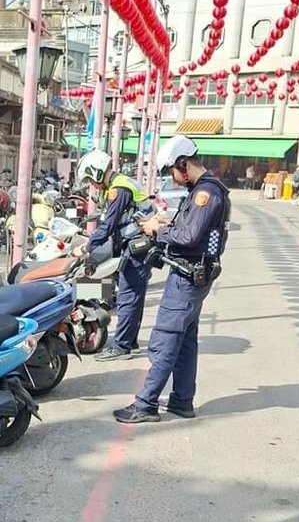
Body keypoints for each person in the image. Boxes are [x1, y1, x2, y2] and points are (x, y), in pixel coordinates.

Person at [113, 135, 231, 423]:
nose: (173, 178)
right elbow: (195, 230)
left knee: (165, 338)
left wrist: (157, 230)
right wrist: (166, 223)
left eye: (171, 171)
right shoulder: (205, 190)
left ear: (183, 163)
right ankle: (181, 400)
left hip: (187, 277)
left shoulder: (206, 193)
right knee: (186, 340)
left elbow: (189, 237)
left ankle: (145, 404)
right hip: (194, 274)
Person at [76, 149, 153, 362]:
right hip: (136, 245)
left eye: (91, 179)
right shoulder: (119, 184)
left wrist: (86, 246)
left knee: (128, 297)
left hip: (137, 247)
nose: (92, 184)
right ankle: (130, 342)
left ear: (98, 171)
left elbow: (108, 225)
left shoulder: (119, 190)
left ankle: (121, 347)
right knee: (133, 297)